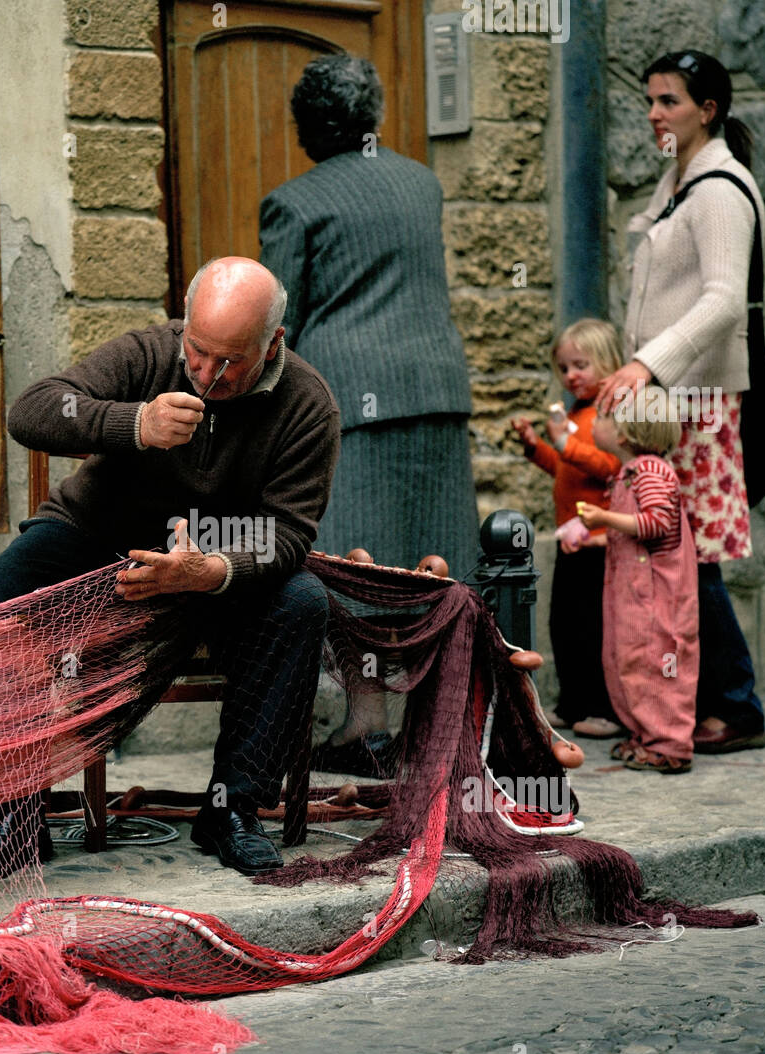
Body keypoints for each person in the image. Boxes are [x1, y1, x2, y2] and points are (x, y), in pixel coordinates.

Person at [0, 257, 340, 880]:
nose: (208, 374)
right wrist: (135, 423)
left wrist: (210, 569)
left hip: (216, 561)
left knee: (301, 602)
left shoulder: (308, 405)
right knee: (3, 590)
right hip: (98, 537)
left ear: (275, 343)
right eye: (198, 352)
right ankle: (14, 812)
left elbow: (289, 532)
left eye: (230, 361)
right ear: (184, 327)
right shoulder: (147, 353)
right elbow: (32, 412)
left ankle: (232, 808)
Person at [258, 53, 478, 774]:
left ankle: (369, 726)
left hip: (351, 401)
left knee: (352, 571)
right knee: (434, 566)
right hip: (435, 392)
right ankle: (440, 734)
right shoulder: (423, 184)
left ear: (308, 125)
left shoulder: (294, 202)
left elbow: (274, 321)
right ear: (373, 116)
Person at [596, 50, 765, 755]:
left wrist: (645, 362)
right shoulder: (680, 183)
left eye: (668, 100)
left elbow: (725, 302)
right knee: (678, 551)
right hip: (673, 397)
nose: (653, 113)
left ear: (709, 109)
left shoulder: (721, 187)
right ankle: (694, 700)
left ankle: (736, 704)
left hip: (697, 399)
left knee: (690, 554)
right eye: (650, 100)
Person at [511, 318, 623, 739]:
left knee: (596, 627)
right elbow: (566, 469)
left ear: (609, 364)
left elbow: (609, 468)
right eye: (564, 367)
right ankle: (573, 701)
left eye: (581, 365)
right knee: (565, 623)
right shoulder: (576, 413)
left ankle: (603, 707)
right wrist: (536, 447)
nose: (571, 375)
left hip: (599, 542)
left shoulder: (608, 416)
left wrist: (564, 444)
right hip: (571, 540)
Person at [579, 384, 699, 773]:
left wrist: (601, 519)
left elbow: (655, 523)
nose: (597, 423)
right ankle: (646, 734)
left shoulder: (649, 471)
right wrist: (595, 537)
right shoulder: (632, 471)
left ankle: (669, 744)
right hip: (633, 591)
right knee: (628, 659)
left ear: (627, 433)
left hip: (653, 595)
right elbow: (633, 531)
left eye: (606, 418)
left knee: (654, 658)